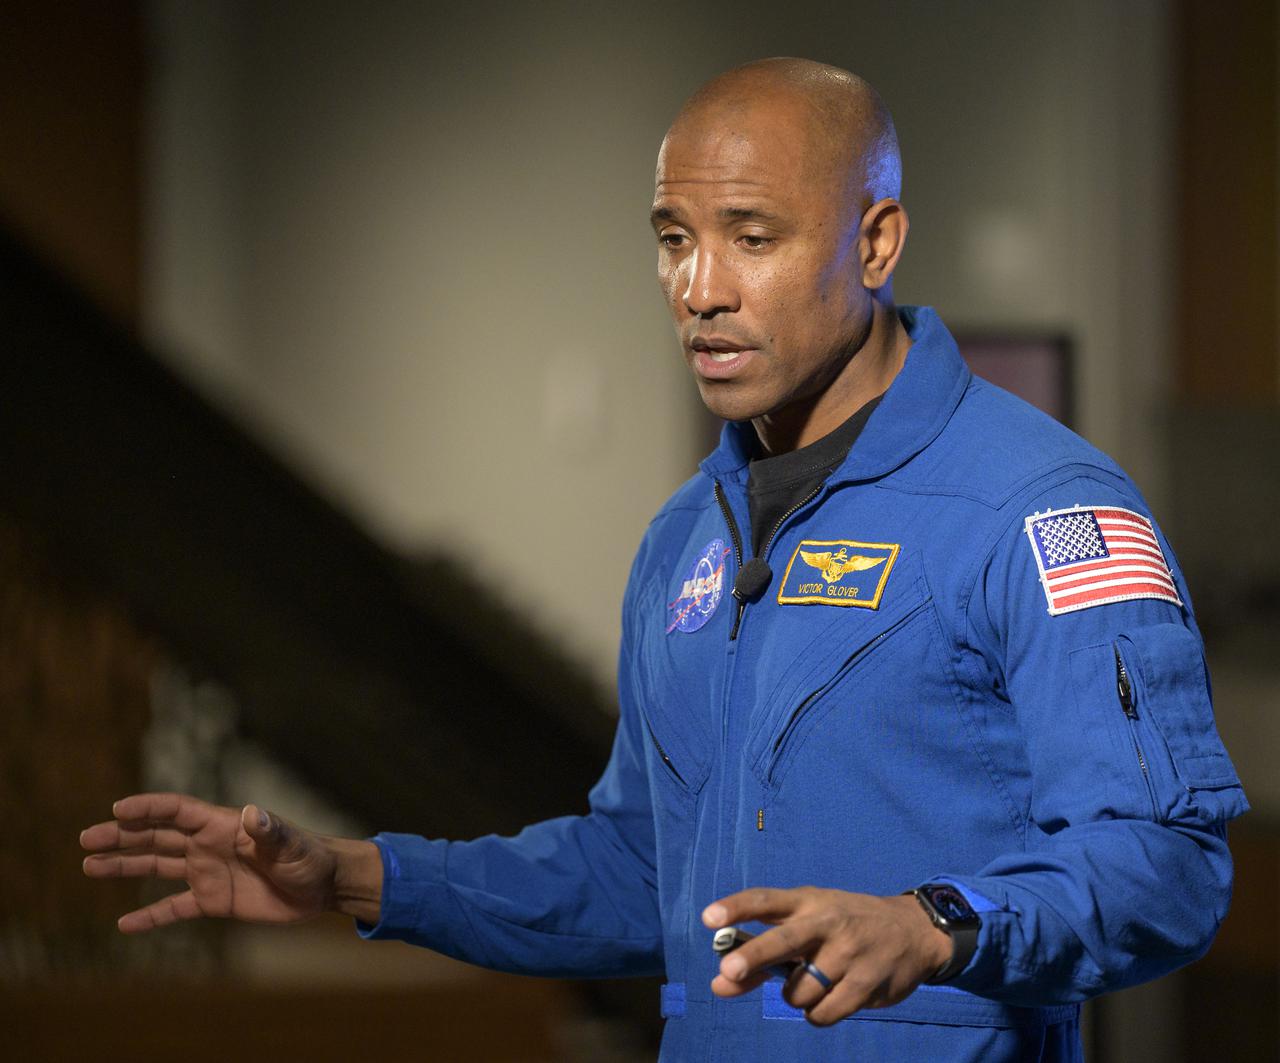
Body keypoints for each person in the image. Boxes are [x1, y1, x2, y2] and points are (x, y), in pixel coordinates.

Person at [80, 58, 1247, 1061]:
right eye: (673, 241)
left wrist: (935, 924)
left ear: (875, 240)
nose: (698, 291)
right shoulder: (685, 538)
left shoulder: (1041, 511)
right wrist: (352, 880)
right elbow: (639, 870)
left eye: (752, 238)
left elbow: (1162, 864)